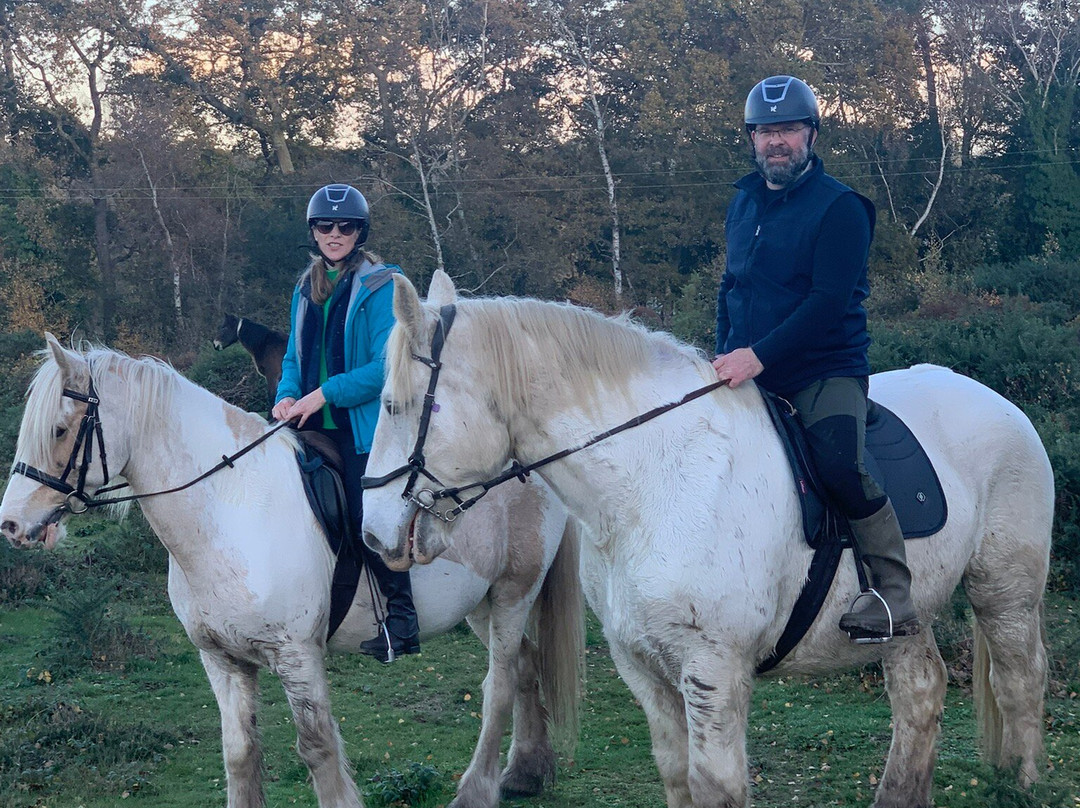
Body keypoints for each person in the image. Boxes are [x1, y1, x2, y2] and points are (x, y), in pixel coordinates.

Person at [712, 75, 919, 642]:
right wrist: (722, 352)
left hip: (823, 368)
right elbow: (731, 286)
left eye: (788, 129)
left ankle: (891, 592)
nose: (776, 141)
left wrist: (757, 356)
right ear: (752, 138)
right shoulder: (743, 203)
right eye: (765, 131)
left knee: (836, 466)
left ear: (811, 133)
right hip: (749, 364)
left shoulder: (843, 208)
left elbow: (828, 304)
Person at [273, 183, 420, 662]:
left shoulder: (383, 285)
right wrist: (286, 395)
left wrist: (323, 394)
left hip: (362, 428)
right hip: (309, 421)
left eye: (346, 226)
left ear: (360, 231)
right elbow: (294, 357)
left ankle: (401, 620)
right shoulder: (303, 287)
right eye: (325, 226)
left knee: (365, 515)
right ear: (312, 231)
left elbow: (384, 367)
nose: (335, 234)